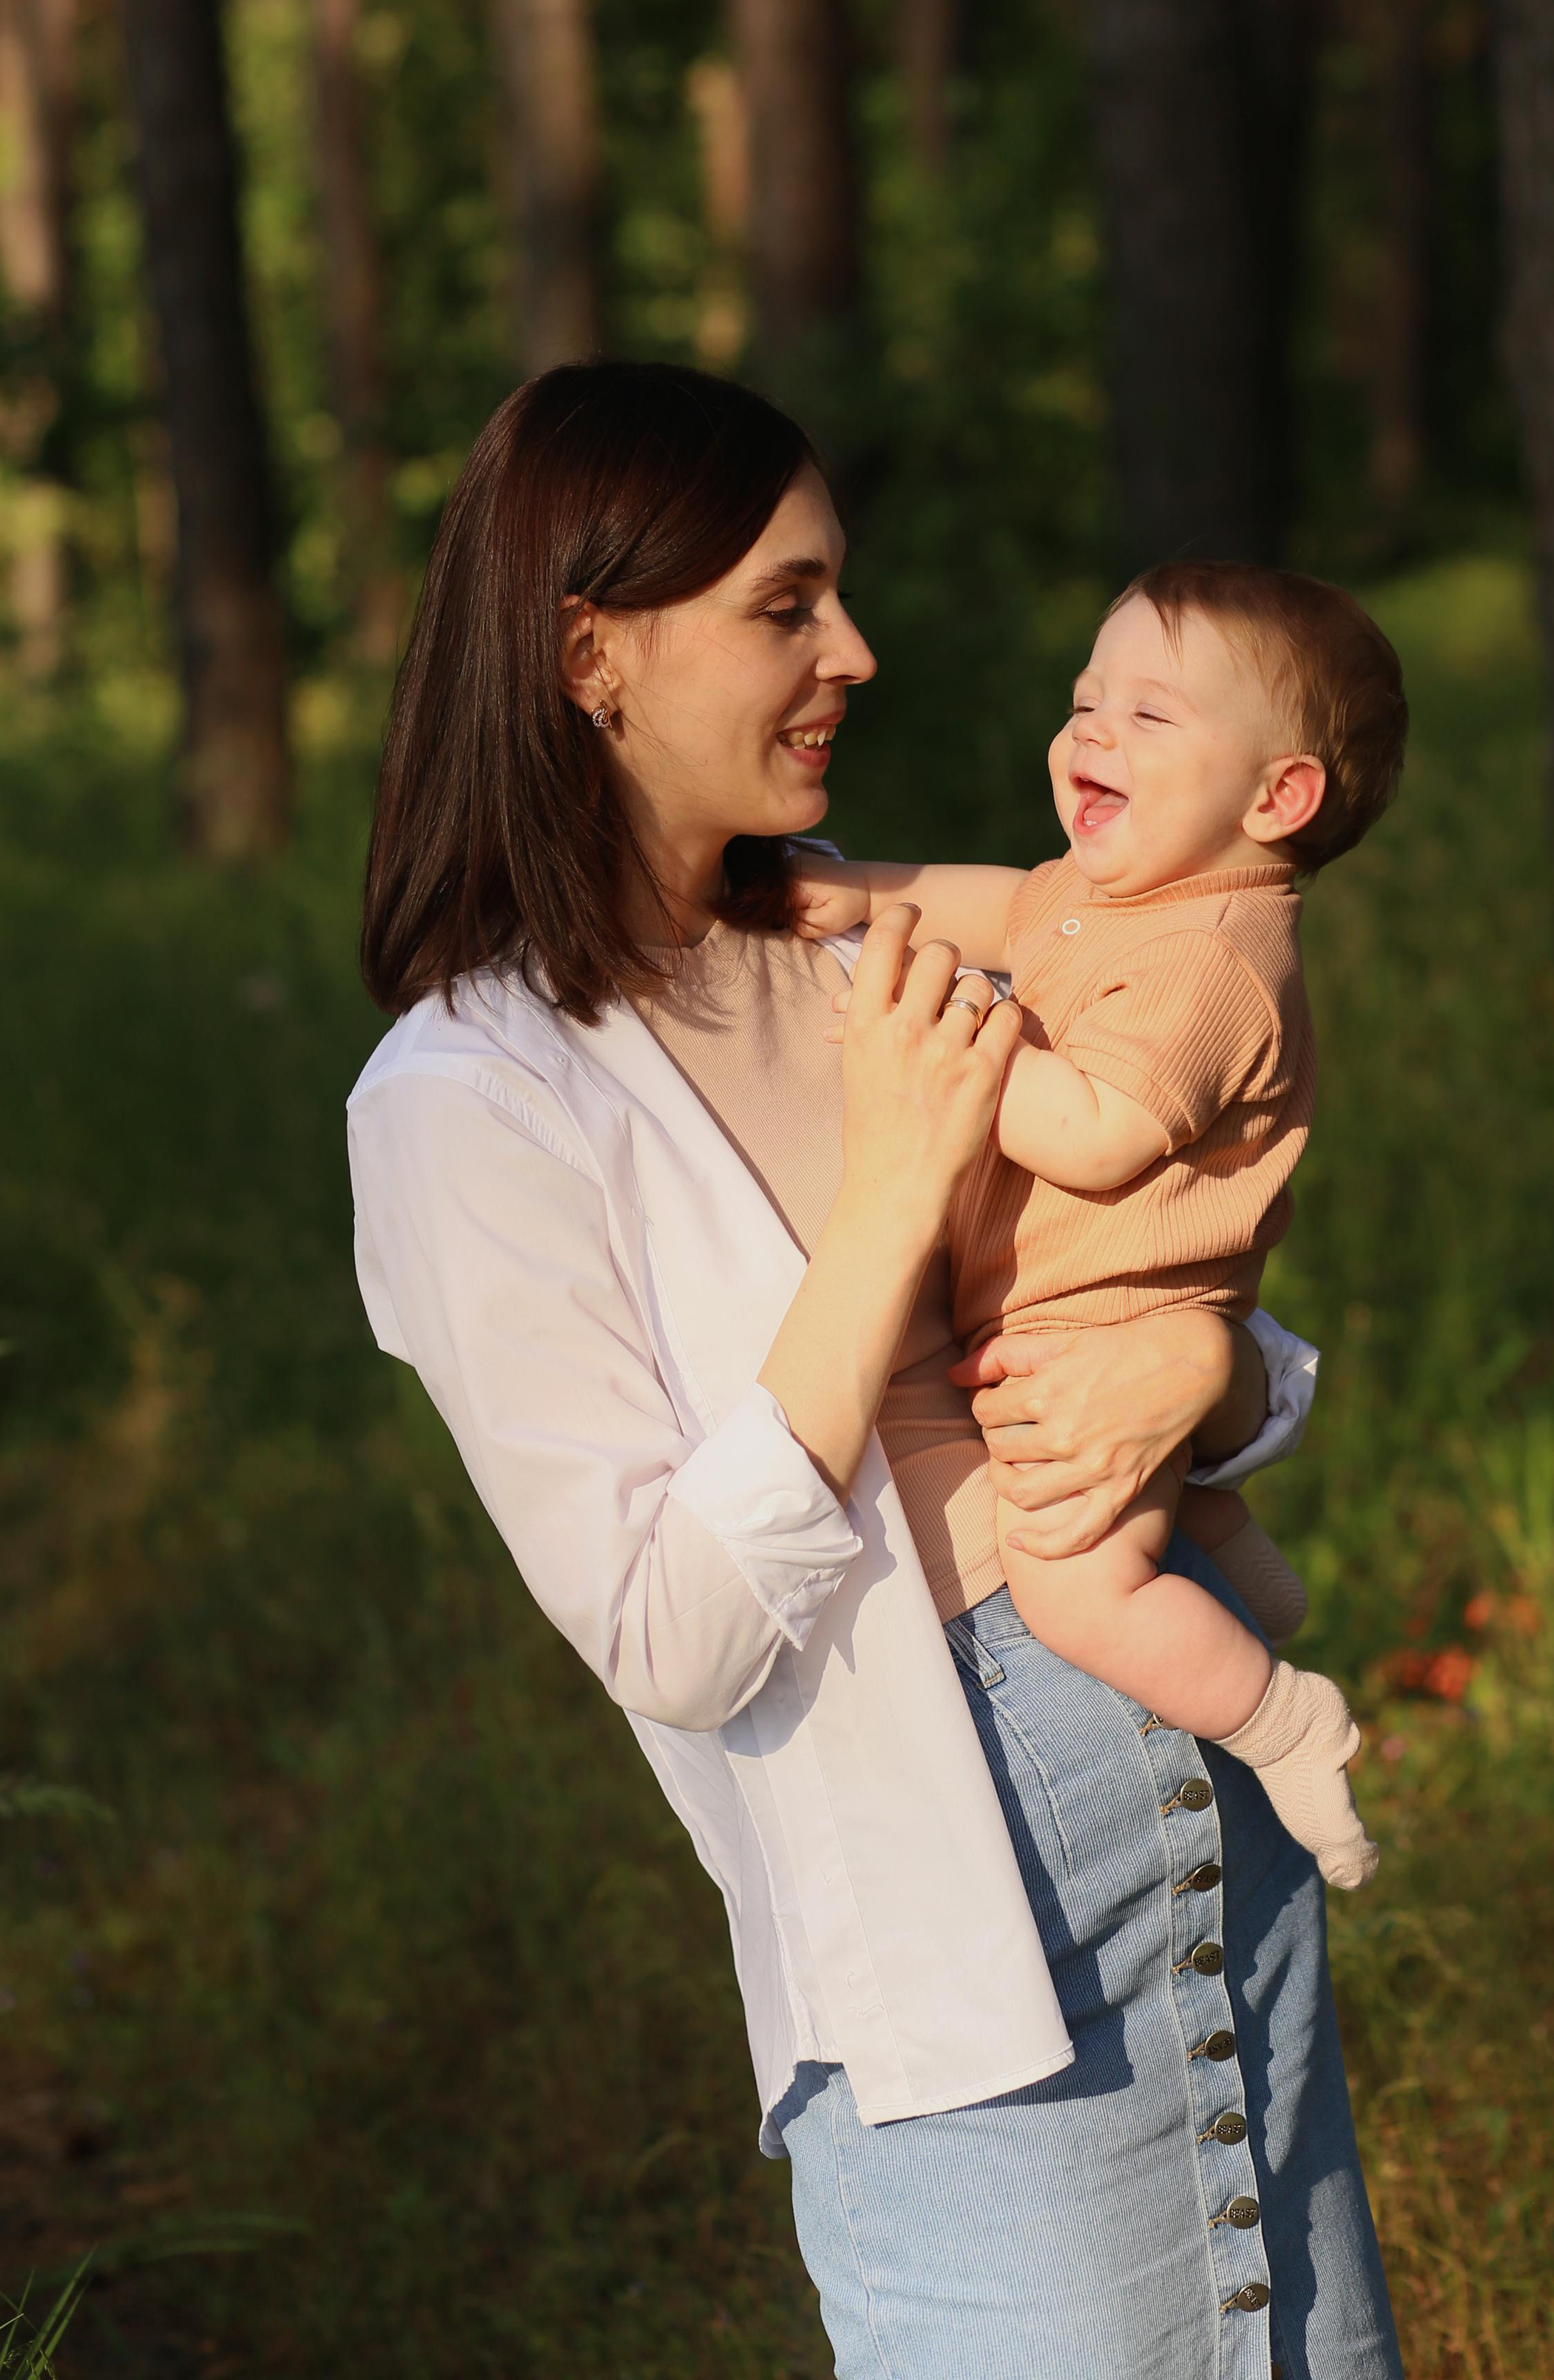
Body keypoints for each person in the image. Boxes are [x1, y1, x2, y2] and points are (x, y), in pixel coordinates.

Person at [347, 361, 1403, 2380]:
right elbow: (668, 1634)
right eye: (786, 604)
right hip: (967, 1929)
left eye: (835, 591)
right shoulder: (468, 1102)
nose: (857, 649)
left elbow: (1162, 1304)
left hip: (1208, 1811)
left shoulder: (871, 941)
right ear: (589, 654)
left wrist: (1206, 1373)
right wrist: (895, 1190)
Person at [793, 562, 1408, 1890]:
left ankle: (1282, 1719)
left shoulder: (1216, 956)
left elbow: (1095, 1133)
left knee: (1075, 1585)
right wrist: (849, 893)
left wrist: (947, 1031)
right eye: (1084, 702)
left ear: (1276, 798)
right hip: (1092, 1320)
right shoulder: (1112, 892)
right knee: (1144, 1508)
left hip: (1107, 1328)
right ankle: (1232, 1555)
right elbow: (995, 903)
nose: (1091, 734)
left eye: (1148, 716)